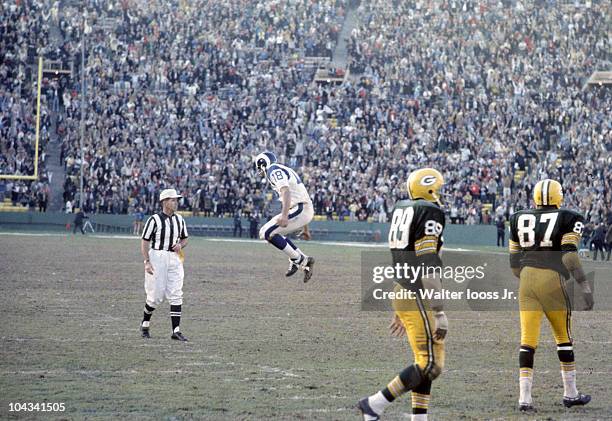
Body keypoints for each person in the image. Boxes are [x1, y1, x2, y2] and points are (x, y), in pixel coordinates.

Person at [359, 168, 448, 421]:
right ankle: (374, 403)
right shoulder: (430, 212)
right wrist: (439, 312)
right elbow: (428, 264)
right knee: (431, 365)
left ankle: (419, 419)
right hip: (417, 292)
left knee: (423, 361)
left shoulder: (402, 208)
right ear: (429, 188)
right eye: (438, 189)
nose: (440, 194)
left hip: (403, 290)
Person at [508, 179, 593, 412]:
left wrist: (528, 277)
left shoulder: (517, 217)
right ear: (559, 196)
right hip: (552, 279)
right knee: (563, 338)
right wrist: (585, 286)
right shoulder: (569, 217)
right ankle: (570, 393)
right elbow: (569, 257)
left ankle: (524, 399)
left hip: (526, 280)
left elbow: (514, 262)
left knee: (527, 342)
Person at [255, 151, 315, 282]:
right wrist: (305, 229)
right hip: (303, 209)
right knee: (272, 233)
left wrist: (284, 215)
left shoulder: (273, 170)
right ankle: (301, 259)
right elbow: (299, 195)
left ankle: (299, 259)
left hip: (301, 208)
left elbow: (286, 191)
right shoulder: (283, 169)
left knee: (265, 232)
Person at [140, 189, 189, 341]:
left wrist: (180, 245)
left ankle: (176, 330)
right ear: (165, 202)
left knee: (176, 293)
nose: (176, 203)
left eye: (176, 200)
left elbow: (185, 238)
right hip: (158, 256)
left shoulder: (179, 220)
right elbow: (145, 241)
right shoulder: (154, 220)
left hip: (174, 258)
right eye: (173, 200)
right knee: (155, 296)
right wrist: (147, 261)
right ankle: (145, 324)